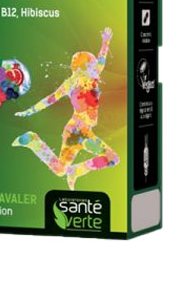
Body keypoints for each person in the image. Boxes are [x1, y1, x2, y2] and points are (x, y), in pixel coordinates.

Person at [13, 27, 119, 189]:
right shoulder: (71, 84)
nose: (95, 68)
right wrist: (29, 111)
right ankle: (34, 141)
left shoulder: (92, 77)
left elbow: (101, 61)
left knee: (109, 159)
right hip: (76, 131)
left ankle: (73, 169)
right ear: (82, 68)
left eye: (93, 65)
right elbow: (49, 100)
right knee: (62, 169)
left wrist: (106, 41)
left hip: (84, 132)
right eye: (91, 65)